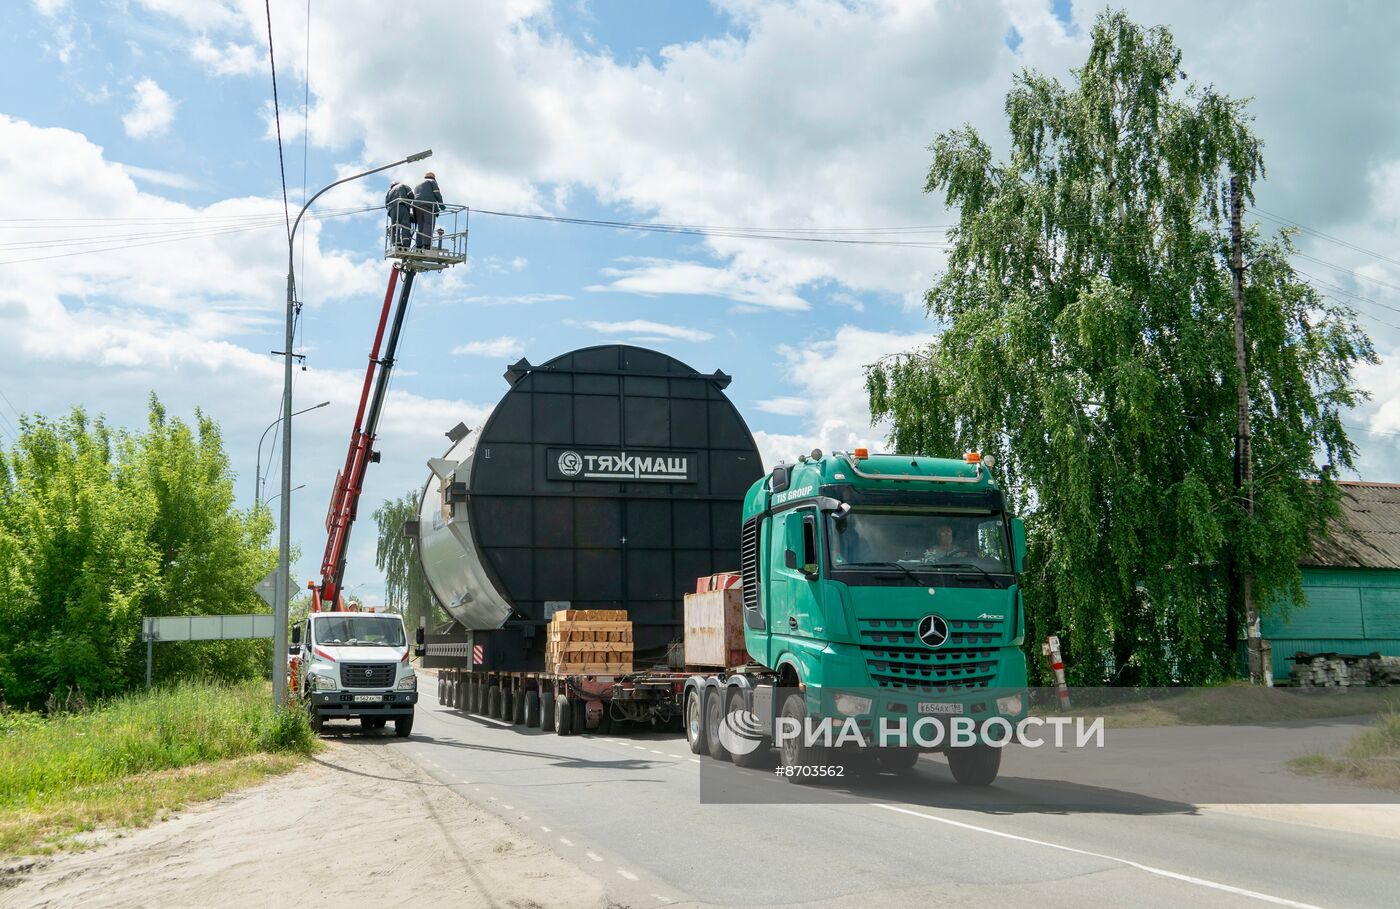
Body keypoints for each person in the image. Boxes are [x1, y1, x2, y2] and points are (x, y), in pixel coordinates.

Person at [412, 171, 444, 249]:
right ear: (433, 178)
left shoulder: (417, 185)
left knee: (420, 225)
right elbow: (437, 193)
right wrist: (441, 204)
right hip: (428, 205)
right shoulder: (432, 182)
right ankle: (426, 244)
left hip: (416, 207)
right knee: (428, 224)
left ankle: (419, 245)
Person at [385, 180, 415, 248]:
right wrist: (409, 204)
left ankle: (396, 243)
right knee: (405, 225)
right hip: (402, 206)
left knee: (395, 226)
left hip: (392, 210)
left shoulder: (389, 192)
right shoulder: (403, 186)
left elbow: (386, 204)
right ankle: (405, 244)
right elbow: (411, 196)